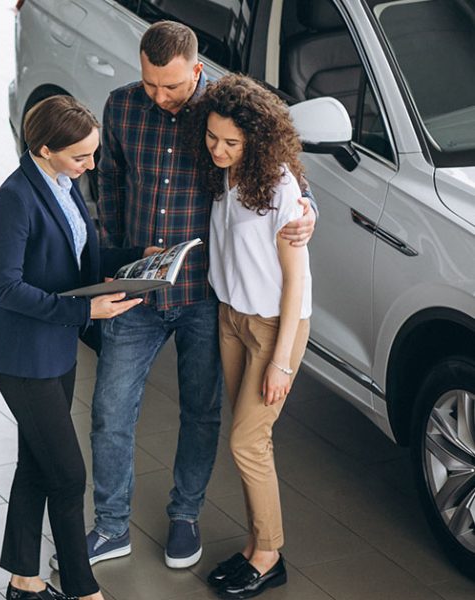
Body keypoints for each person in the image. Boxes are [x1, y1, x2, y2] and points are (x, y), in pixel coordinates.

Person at [76, 21, 317, 571]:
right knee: (110, 410)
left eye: (173, 87)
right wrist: (117, 253)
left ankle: (185, 516)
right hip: (136, 290)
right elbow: (108, 179)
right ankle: (112, 526)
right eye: (150, 84)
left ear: (197, 72)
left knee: (203, 412)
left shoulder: (224, 118)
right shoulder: (121, 108)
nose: (160, 97)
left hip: (205, 296)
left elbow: (285, 178)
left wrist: (308, 214)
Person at [0, 95, 157, 600]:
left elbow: (82, 257)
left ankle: (23, 579)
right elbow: (6, 288)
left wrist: (138, 257)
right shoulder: (14, 198)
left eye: (93, 154)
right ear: (44, 148)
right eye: (81, 157)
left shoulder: (64, 185)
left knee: (36, 463)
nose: (91, 166)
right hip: (23, 359)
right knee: (67, 473)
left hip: (56, 350)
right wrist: (85, 312)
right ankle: (83, 591)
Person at [191, 73, 311, 598]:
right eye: (213, 137)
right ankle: (254, 546)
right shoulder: (224, 173)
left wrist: (282, 361)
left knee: (247, 440)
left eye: (231, 142)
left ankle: (269, 554)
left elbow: (296, 282)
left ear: (257, 140)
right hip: (231, 319)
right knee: (248, 442)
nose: (218, 149)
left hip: (271, 328)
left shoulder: (280, 188)